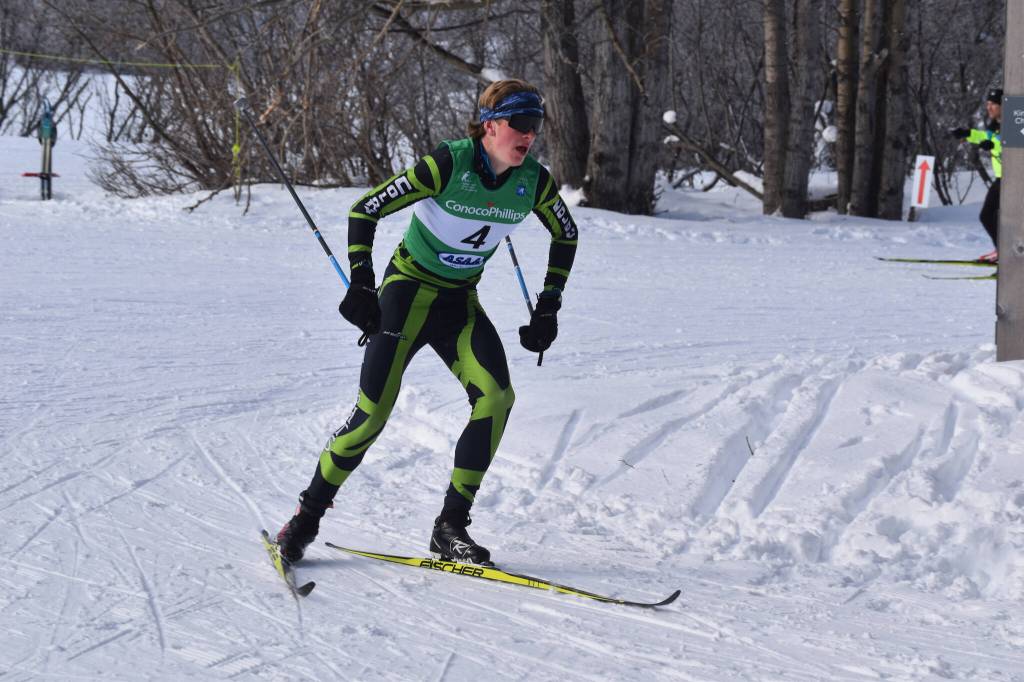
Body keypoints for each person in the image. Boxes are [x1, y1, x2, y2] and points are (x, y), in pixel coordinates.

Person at [275, 79, 579, 566]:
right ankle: (305, 519)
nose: (530, 134)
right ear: (490, 125)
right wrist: (360, 282)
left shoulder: (534, 183)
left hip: (458, 303)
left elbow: (567, 234)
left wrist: (548, 306)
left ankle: (450, 527)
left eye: (536, 125)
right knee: (371, 415)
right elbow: (366, 207)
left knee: (497, 399)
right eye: (521, 123)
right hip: (406, 295)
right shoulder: (448, 164)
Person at [951, 87, 1002, 263]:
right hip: (1003, 179)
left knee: (989, 215)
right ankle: (1003, 250)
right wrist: (967, 133)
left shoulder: (1017, 123)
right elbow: (985, 136)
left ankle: (1006, 253)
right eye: (988, 104)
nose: (989, 108)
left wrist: (994, 146)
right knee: (989, 216)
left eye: (994, 104)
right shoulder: (995, 126)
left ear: (1004, 105)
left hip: (1016, 180)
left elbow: (1015, 144)